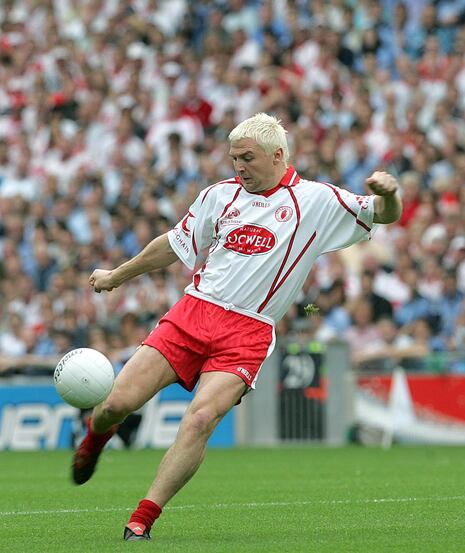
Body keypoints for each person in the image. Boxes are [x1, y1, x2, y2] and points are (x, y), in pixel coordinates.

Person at [72, 112, 402, 541]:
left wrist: (391, 194)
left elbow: (383, 213)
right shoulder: (218, 196)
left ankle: (142, 519)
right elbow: (174, 245)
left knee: (201, 418)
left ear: (278, 155)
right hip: (193, 313)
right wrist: (117, 275)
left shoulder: (318, 201)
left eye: (247, 158)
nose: (239, 167)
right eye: (234, 159)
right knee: (116, 404)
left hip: (248, 332)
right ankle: (97, 437)